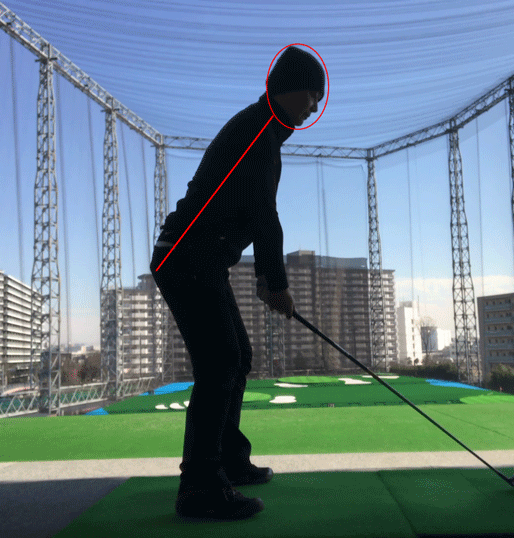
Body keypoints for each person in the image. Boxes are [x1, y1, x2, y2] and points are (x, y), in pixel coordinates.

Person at [149, 46, 325, 522]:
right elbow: (264, 214)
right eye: (311, 94)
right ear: (289, 88)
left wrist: (269, 280)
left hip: (197, 257)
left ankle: (228, 462)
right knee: (220, 361)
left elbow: (253, 212)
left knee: (236, 356)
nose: (314, 106)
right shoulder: (257, 132)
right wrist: (275, 282)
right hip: (185, 255)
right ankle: (200, 486)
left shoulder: (262, 129)